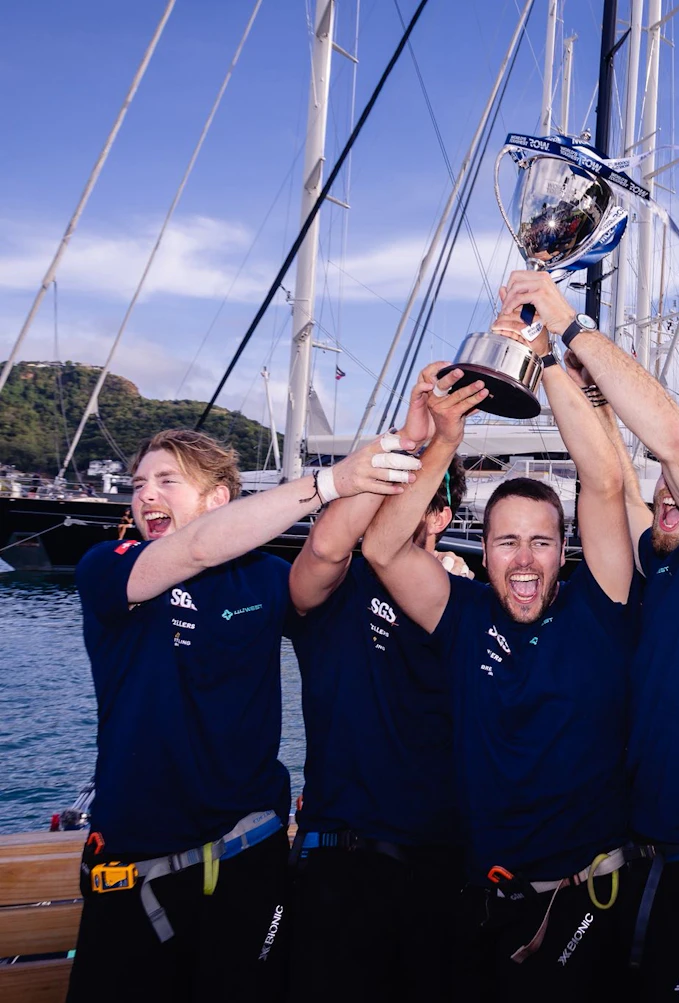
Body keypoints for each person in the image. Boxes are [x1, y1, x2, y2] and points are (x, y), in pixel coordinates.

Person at [501, 272, 679, 1002]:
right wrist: (539, 355)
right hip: (645, 866)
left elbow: (673, 442)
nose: (667, 491)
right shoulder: (658, 564)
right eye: (666, 483)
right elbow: (609, 478)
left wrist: (569, 322)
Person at [68, 427, 420, 1003]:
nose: (146, 496)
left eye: (166, 481)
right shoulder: (109, 567)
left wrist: (403, 444)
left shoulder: (263, 579)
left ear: (218, 500)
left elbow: (330, 554)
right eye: (139, 485)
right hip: (137, 872)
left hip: (248, 860)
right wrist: (330, 481)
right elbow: (197, 549)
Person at [360, 312, 638, 1001]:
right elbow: (382, 548)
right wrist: (443, 440)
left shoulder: (598, 610)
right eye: (506, 541)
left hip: (580, 903)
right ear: (482, 554)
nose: (523, 558)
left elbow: (602, 483)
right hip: (479, 903)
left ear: (562, 552)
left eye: (540, 541)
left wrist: (545, 358)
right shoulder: (462, 614)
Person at [283, 371, 470, 1002]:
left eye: (415, 493)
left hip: (442, 865)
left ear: (441, 514)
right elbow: (325, 547)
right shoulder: (335, 590)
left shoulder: (465, 606)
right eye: (389, 488)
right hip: (339, 859)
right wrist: (411, 444)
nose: (398, 502)